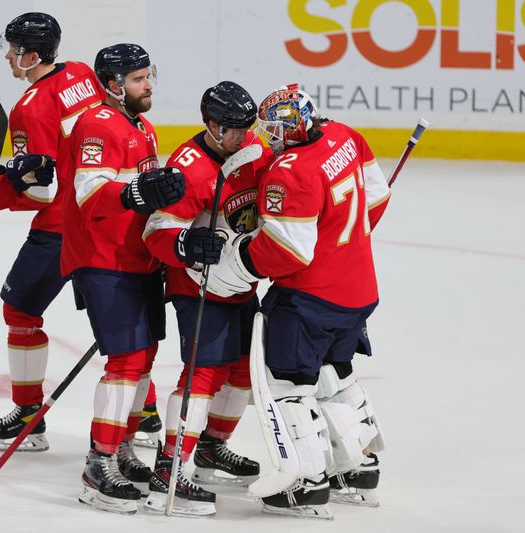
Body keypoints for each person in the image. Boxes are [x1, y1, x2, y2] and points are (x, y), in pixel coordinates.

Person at [204, 84, 389, 519]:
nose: (268, 137)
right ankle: (357, 469)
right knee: (335, 374)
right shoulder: (344, 135)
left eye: (272, 129)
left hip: (309, 297)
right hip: (358, 289)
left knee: (288, 383)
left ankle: (305, 484)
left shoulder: (291, 171)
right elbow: (376, 199)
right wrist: (338, 240)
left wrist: (233, 265)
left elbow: (286, 252)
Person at [61, 43, 186, 514]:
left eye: (147, 75)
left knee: (145, 357)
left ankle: (123, 446)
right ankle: (100, 461)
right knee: (127, 360)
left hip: (138, 258)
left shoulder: (143, 126)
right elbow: (90, 194)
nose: (147, 84)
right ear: (112, 85)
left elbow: (144, 192)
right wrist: (138, 190)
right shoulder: (96, 124)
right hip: (104, 258)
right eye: (137, 79)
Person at [0, 12, 109, 453]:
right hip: (106, 218)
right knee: (116, 322)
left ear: (32, 55)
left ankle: (28, 417)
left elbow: (41, 192)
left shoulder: (30, 107)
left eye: (14, 50)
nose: (9, 58)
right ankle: (144, 416)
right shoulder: (81, 73)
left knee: (19, 312)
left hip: (60, 228)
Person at [141, 81, 270, 516]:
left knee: (242, 371)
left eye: (247, 127)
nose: (243, 136)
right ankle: (169, 468)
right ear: (211, 126)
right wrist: (187, 244)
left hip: (240, 282)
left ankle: (212, 447)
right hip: (198, 286)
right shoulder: (188, 168)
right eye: (233, 129)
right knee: (202, 373)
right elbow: (156, 232)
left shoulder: (252, 151)